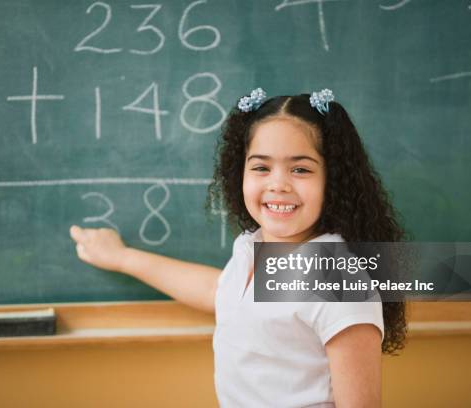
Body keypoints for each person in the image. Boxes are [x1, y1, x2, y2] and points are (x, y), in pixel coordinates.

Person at [69, 88, 407, 407]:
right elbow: (217, 289)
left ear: (333, 181)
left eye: (300, 169)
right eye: (261, 167)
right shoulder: (252, 246)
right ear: (239, 173)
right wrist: (123, 257)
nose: (278, 184)